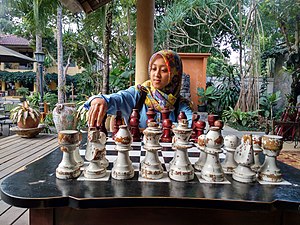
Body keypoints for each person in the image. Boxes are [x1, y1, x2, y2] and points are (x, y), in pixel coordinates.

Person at [84, 49, 193, 128]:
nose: (156, 74)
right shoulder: (139, 94)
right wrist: (100, 100)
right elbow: (117, 99)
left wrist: (167, 127)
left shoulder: (179, 103)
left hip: (170, 157)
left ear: (175, 75)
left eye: (164, 70)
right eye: (153, 69)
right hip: (135, 156)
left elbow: (191, 123)